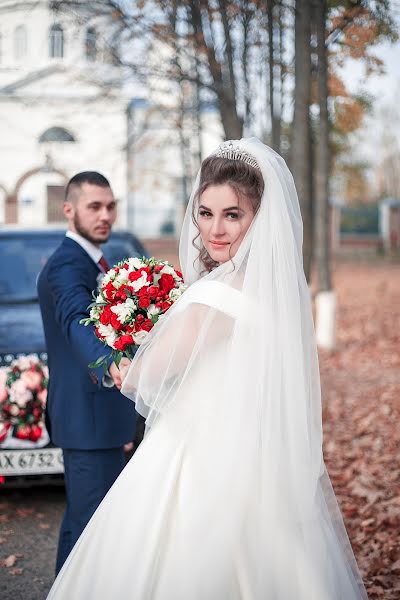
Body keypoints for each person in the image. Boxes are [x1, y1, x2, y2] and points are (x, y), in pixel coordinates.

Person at [46, 140, 368, 599]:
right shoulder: (265, 291)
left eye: (232, 214)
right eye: (206, 212)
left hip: (196, 462)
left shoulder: (219, 295)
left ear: (259, 217)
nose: (215, 229)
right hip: (250, 458)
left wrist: (128, 354)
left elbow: (142, 378)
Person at [37, 171, 136, 575]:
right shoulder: (66, 266)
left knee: (82, 526)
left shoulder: (94, 260)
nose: (105, 215)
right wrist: (109, 363)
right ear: (69, 210)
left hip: (100, 420)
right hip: (87, 420)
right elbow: (77, 321)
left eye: (110, 206)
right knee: (94, 530)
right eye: (94, 206)